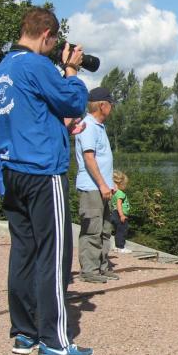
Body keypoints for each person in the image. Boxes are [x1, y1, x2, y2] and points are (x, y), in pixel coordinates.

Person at [0, 6, 93, 355]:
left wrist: (57, 129)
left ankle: (24, 333)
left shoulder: (3, 69)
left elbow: (29, 118)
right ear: (47, 34)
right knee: (54, 254)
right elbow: (74, 101)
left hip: (10, 171)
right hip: (41, 171)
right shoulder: (36, 64)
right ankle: (55, 342)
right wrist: (71, 70)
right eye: (54, 41)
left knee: (23, 253)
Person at [75, 87, 118, 283]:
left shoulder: (99, 126)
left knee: (105, 228)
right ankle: (89, 271)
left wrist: (110, 183)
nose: (112, 108)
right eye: (111, 104)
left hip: (103, 187)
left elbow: (101, 160)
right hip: (92, 188)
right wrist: (102, 184)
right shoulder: (88, 126)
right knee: (92, 229)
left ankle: (102, 266)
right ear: (102, 105)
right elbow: (89, 158)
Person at [110, 170, 132, 254]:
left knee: (117, 231)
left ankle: (116, 247)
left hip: (114, 213)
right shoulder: (120, 193)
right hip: (119, 214)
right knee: (122, 230)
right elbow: (119, 204)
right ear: (120, 184)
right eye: (124, 184)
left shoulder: (114, 193)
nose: (125, 186)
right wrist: (122, 215)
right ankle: (121, 247)